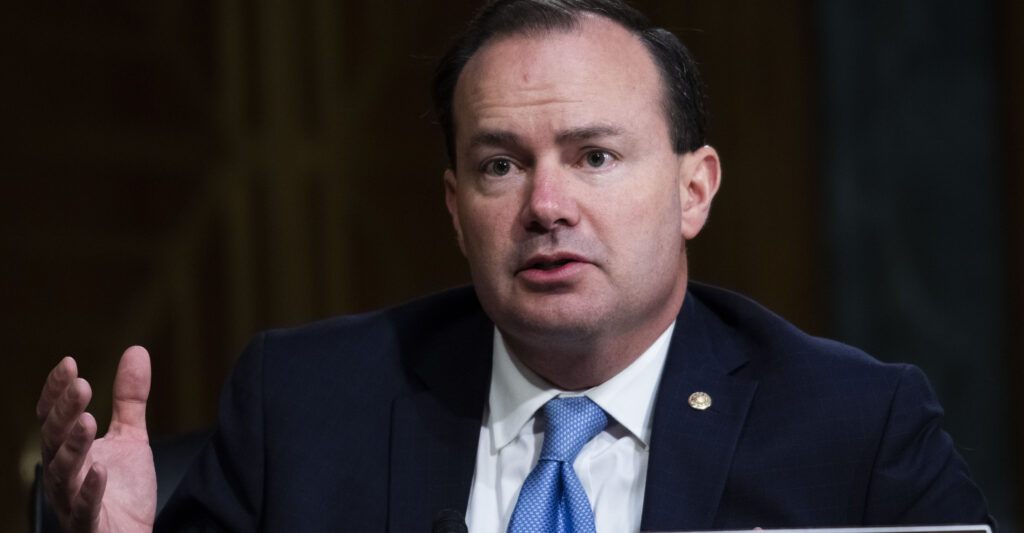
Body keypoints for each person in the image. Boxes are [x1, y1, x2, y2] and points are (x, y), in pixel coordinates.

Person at [36, 0, 994, 531]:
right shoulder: (303, 404)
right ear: (456, 208)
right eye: (500, 164)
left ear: (695, 189)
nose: (545, 205)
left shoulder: (856, 428)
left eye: (595, 156)